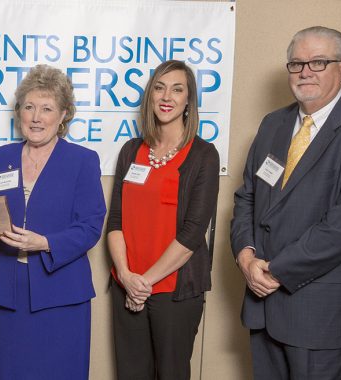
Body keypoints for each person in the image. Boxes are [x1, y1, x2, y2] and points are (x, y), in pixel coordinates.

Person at [231, 26, 341, 379]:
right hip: (263, 304)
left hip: (324, 313)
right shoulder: (273, 124)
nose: (305, 71)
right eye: (297, 63)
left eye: (319, 62)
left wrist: (274, 270)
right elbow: (247, 197)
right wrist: (246, 258)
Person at [0, 64, 106, 380]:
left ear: (63, 114)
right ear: (19, 111)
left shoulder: (82, 160)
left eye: (46, 109)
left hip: (62, 295)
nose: (36, 117)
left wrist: (46, 243)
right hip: (10, 295)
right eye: (29, 107)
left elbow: (91, 225)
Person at [106, 60, 219, 380]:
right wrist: (127, 277)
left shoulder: (203, 155)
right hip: (126, 284)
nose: (166, 96)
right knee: (130, 373)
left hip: (174, 291)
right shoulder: (131, 151)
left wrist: (145, 282)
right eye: (159, 87)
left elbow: (193, 233)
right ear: (150, 96)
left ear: (189, 101)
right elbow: (115, 221)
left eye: (177, 89)